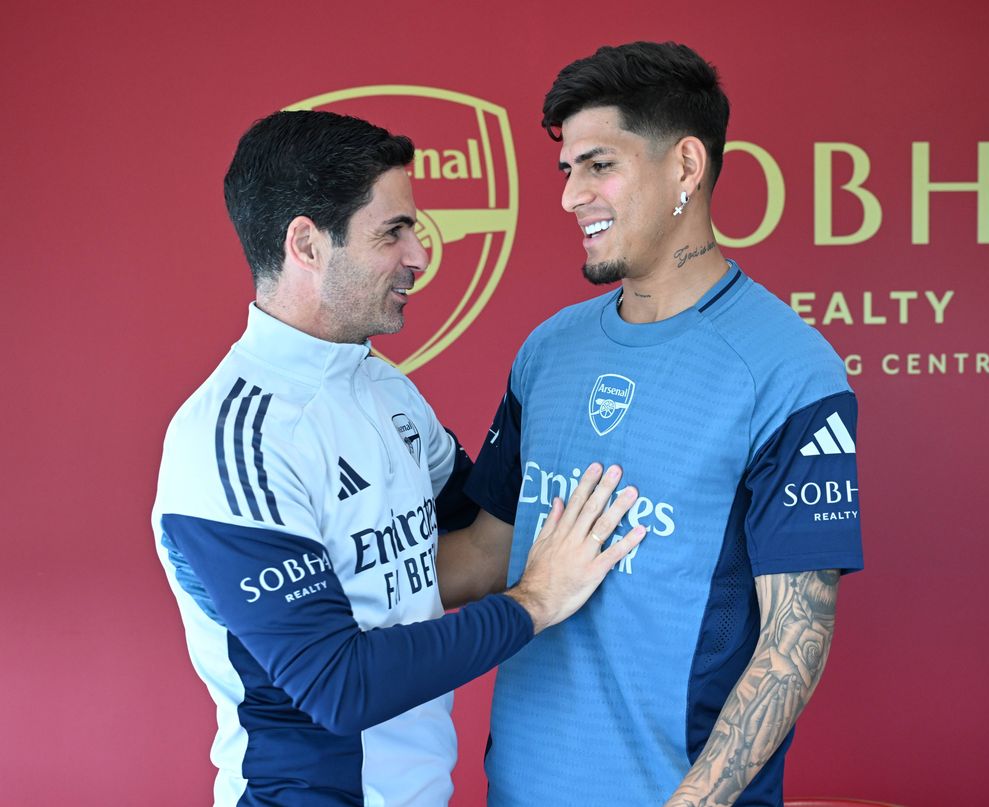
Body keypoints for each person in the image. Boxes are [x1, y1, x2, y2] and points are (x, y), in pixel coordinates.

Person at [150, 110, 644, 807]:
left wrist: (540, 392)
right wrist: (533, 603)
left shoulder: (386, 390)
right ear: (306, 244)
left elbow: (485, 530)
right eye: (393, 231)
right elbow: (337, 684)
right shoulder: (232, 440)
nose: (420, 254)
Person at [452, 42, 865, 806]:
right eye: (566, 169)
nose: (572, 195)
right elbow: (483, 554)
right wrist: (330, 585)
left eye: (599, 165)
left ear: (685, 166)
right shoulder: (547, 350)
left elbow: (793, 640)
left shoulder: (788, 369)